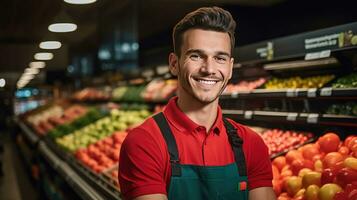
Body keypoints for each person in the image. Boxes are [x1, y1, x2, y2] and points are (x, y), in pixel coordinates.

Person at [119, 6, 275, 200]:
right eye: (196, 56)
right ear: (174, 64)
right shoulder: (144, 142)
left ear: (230, 67)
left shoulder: (251, 144)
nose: (209, 69)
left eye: (220, 58)